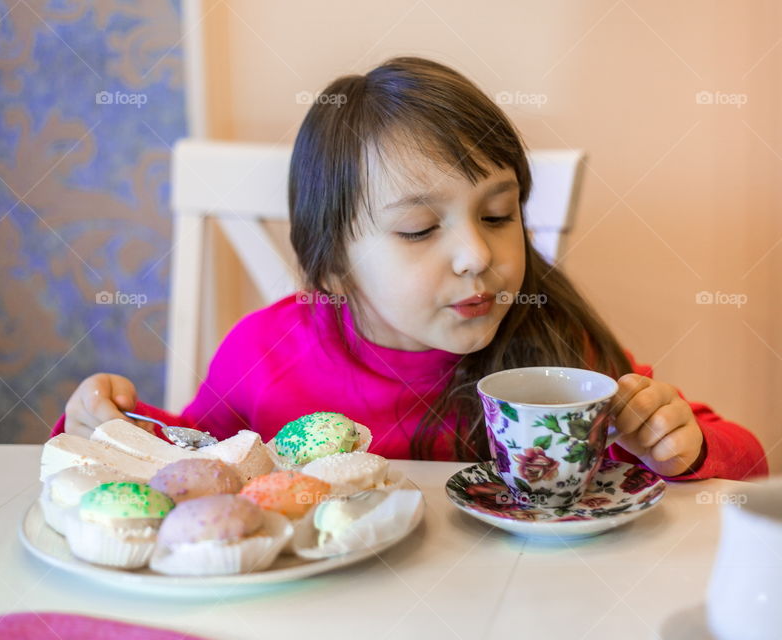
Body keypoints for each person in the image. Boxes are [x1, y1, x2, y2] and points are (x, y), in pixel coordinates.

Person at [54, 57, 767, 482]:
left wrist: (684, 445)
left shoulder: (553, 349)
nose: (478, 255)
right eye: (419, 228)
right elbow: (189, 466)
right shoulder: (263, 357)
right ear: (333, 267)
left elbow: (744, 459)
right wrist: (105, 424)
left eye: (498, 214)